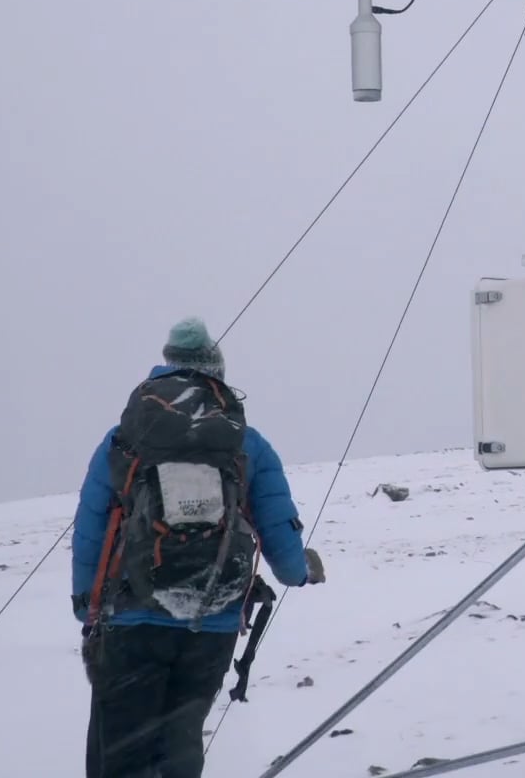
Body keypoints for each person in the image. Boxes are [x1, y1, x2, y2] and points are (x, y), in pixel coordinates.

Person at [71, 316, 324, 778]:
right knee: (180, 744)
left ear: (167, 366)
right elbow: (280, 537)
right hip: (212, 621)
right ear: (216, 372)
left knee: (123, 752)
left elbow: (91, 528)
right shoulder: (247, 443)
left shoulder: (124, 438)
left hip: (130, 620)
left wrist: (85, 603)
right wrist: (300, 571)